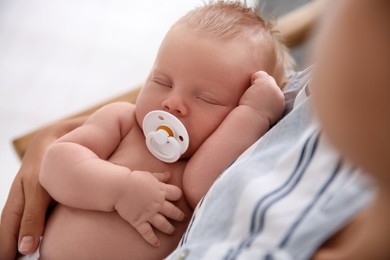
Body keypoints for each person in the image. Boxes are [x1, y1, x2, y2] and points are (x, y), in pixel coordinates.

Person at [2, 0, 389, 259]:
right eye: (162, 80)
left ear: (237, 113)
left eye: (207, 98)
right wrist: (118, 189)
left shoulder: (205, 166)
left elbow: (203, 186)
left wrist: (254, 114)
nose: (172, 104)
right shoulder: (122, 122)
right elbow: (56, 163)